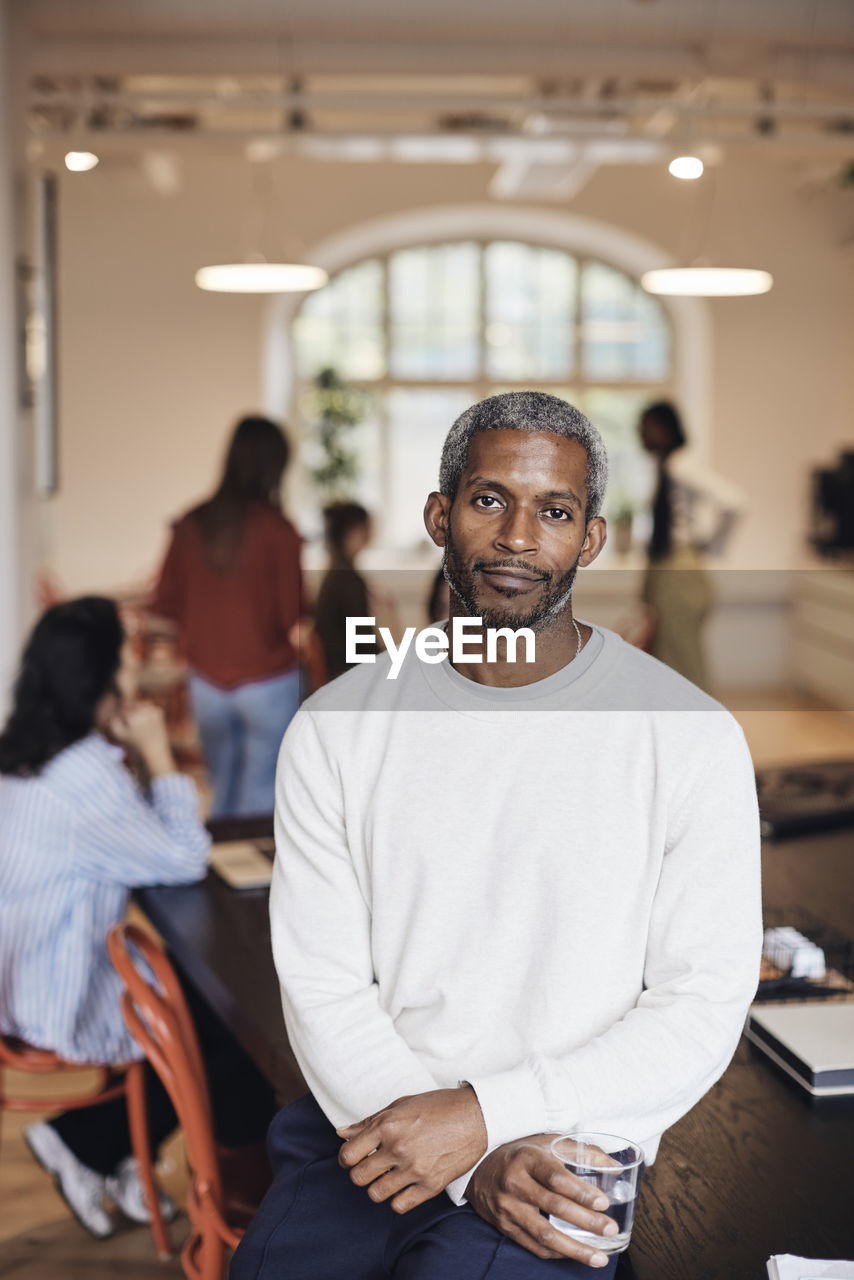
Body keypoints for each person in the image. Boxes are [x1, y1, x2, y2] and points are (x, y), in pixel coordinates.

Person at [232, 391, 761, 1279]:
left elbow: (701, 1002)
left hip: (566, 1152)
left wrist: (483, 1122)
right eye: (489, 500)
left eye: (554, 511)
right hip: (366, 1126)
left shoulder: (691, 734)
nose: (519, 537)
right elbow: (322, 985)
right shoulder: (335, 727)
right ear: (441, 516)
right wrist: (467, 1158)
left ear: (589, 540)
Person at [0, 597, 275, 1239]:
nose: (135, 673)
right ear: (100, 678)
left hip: (20, 968)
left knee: (208, 1006)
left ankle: (120, 1151)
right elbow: (180, 856)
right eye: (124, 660)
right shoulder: (84, 776)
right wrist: (157, 751)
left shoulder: (31, 750)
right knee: (236, 1029)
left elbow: (137, 839)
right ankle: (101, 1147)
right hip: (55, 987)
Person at [153, 415, 305, 816]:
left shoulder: (190, 524)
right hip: (267, 679)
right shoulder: (279, 530)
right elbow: (290, 614)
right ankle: (251, 877)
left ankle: (219, 869)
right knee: (259, 794)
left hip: (206, 681)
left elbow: (164, 602)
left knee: (220, 792)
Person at [638, 400, 743, 692]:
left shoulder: (679, 464)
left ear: (663, 428)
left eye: (645, 427)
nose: (640, 435)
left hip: (679, 572)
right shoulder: (664, 466)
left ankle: (702, 729)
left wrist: (710, 546)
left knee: (683, 664)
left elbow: (733, 501)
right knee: (669, 658)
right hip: (669, 570)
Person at [313, 502, 376, 682]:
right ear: (354, 531)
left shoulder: (335, 572)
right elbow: (362, 644)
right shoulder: (347, 580)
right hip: (345, 672)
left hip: (340, 668)